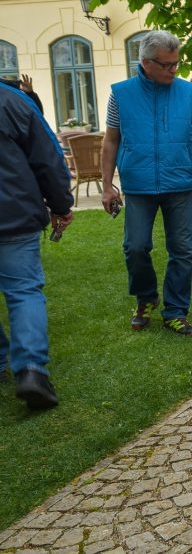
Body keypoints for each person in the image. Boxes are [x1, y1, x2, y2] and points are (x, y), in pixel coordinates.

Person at [101, 30, 192, 337]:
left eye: (176, 63)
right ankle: (146, 297)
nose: (173, 70)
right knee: (135, 247)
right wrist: (106, 186)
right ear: (145, 62)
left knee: (182, 249)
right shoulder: (121, 93)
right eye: (166, 65)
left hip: (179, 181)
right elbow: (111, 141)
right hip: (138, 183)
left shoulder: (189, 93)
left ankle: (175, 310)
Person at [0, 80, 74, 409]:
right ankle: (31, 371)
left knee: (23, 290)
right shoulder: (12, 100)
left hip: (13, 212)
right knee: (24, 291)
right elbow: (48, 155)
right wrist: (61, 204)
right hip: (13, 214)